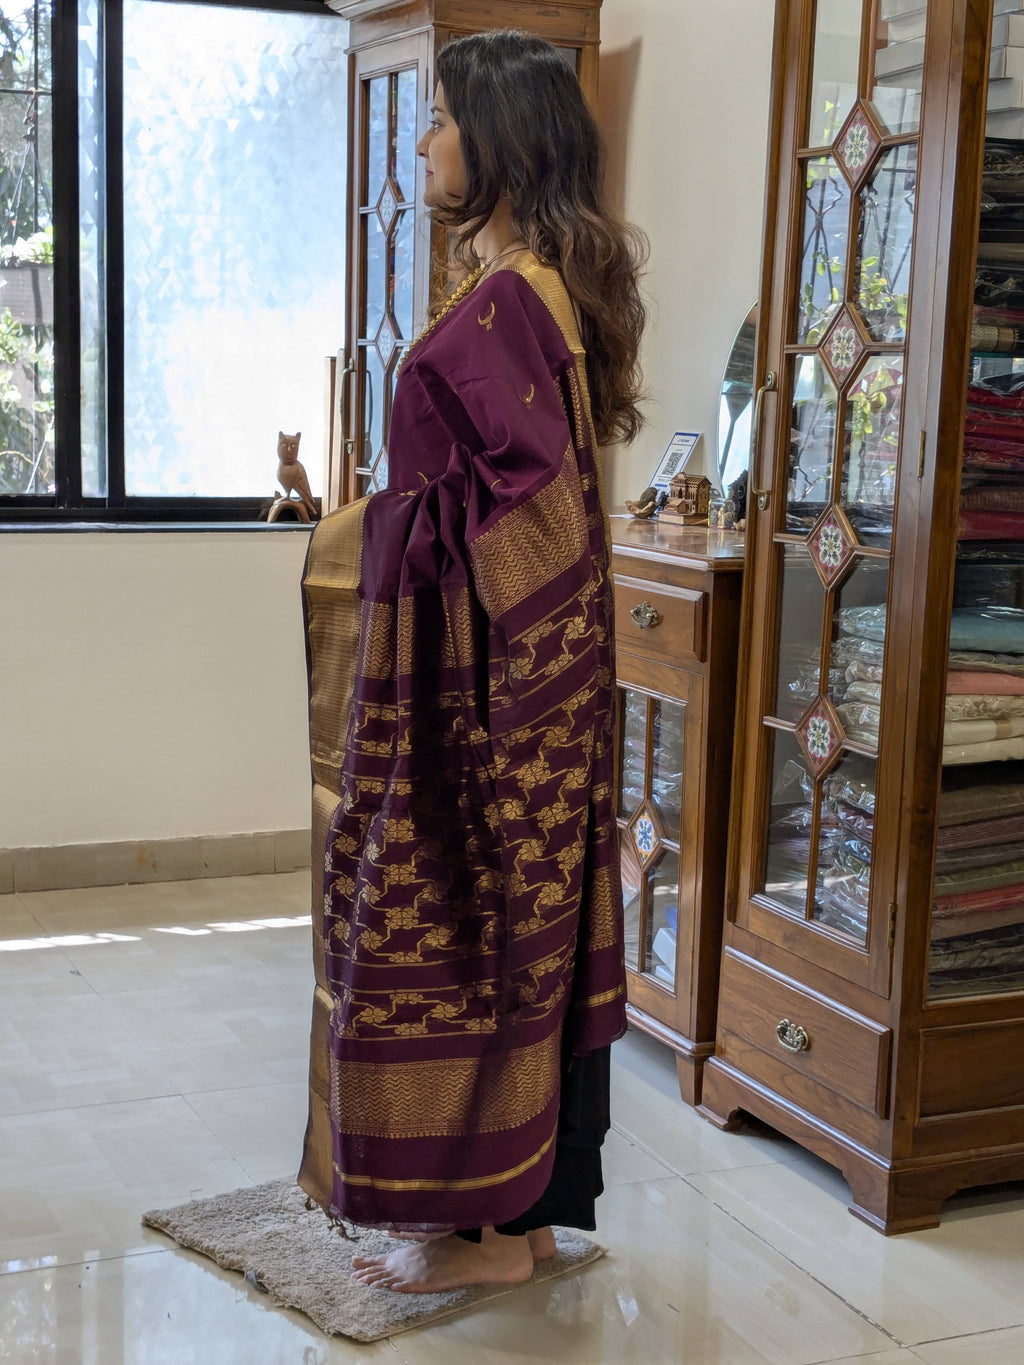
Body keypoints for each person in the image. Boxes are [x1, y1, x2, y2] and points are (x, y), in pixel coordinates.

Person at [297, 28, 647, 1295]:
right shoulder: (532, 283)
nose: (422, 140)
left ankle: (484, 1238)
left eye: (440, 119)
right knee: (513, 926)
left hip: (476, 679)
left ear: (501, 136)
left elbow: (534, 524)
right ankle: (526, 1221)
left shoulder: (509, 302)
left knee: (456, 923)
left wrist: (378, 527)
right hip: (498, 665)